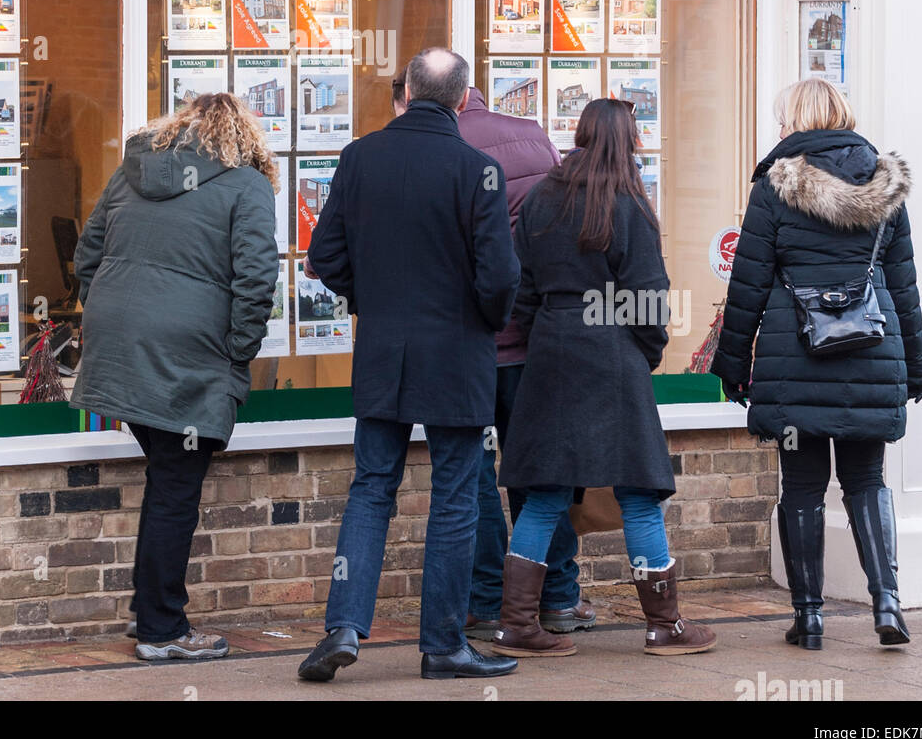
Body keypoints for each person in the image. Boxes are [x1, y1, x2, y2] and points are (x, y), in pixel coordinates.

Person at [297, 48, 522, 682]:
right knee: (454, 497)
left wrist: (372, 301)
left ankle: (343, 626)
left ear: (406, 93)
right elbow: (500, 274)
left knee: (371, 489)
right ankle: (444, 645)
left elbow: (326, 255)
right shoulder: (478, 169)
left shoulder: (358, 157)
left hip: (382, 352)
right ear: (462, 99)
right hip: (457, 354)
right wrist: (479, 317)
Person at [495, 99, 716, 657]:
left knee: (543, 494)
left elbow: (519, 291)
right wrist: (647, 352)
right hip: (613, 353)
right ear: (629, 141)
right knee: (639, 493)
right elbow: (648, 299)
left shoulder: (542, 198)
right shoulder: (629, 205)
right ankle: (664, 626)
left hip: (550, 353)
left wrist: (545, 326)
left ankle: (517, 624)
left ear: (582, 135)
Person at [712, 78, 922, 650]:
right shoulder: (885, 184)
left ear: (799, 121)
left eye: (783, 117)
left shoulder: (773, 187)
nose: (779, 128)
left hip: (792, 362)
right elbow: (904, 287)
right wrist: (916, 364)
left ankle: (809, 618)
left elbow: (749, 284)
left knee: (803, 488)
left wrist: (732, 363)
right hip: (872, 354)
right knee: (866, 480)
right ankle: (887, 601)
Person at [71, 93, 279, 662]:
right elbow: (257, 278)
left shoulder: (130, 172)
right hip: (190, 353)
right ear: (243, 137)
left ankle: (151, 617)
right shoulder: (247, 184)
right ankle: (163, 630)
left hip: (124, 344)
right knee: (175, 490)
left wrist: (111, 314)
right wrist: (237, 353)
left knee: (168, 481)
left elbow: (87, 255)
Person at [457, 86, 594, 645]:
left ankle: (489, 603)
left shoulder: (446, 144)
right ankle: (558, 598)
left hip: (466, 344)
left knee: (474, 477)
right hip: (532, 340)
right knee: (540, 472)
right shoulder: (536, 137)